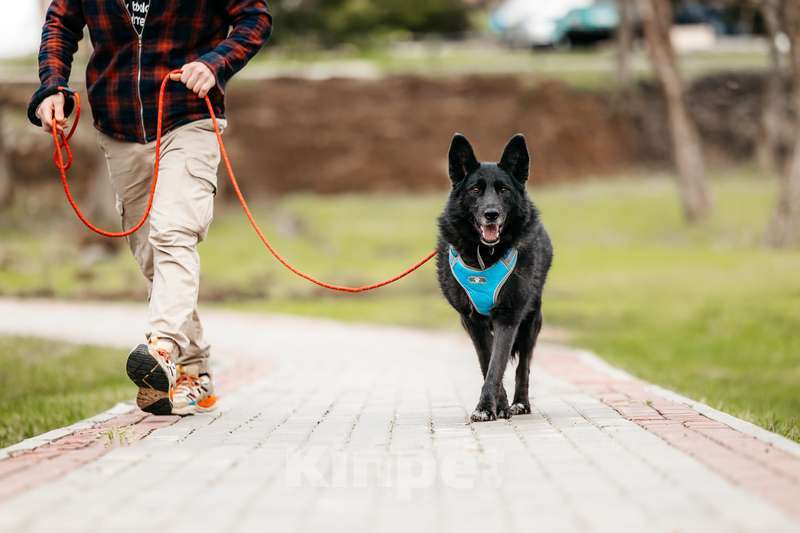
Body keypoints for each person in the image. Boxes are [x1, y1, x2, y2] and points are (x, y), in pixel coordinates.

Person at [28, 1, 272, 416]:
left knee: (174, 234)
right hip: (119, 128)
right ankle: (193, 373)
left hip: (190, 117)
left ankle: (161, 349)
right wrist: (52, 86)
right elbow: (60, 23)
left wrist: (215, 64)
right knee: (152, 257)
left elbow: (255, 17)